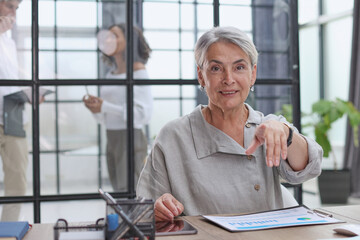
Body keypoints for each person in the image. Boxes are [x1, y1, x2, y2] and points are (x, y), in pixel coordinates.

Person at [136, 26, 322, 222]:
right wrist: (158, 207)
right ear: (201, 75)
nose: (228, 79)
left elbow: (309, 168)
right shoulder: (174, 136)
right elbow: (145, 207)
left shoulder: (269, 126)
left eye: (239, 67)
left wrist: (287, 133)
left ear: (253, 74)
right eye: (216, 68)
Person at [83, 23, 153, 192]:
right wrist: (96, 109)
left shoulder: (138, 72)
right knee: (118, 191)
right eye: (107, 35)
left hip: (130, 137)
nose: (108, 39)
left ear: (128, 41)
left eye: (114, 35)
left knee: (132, 193)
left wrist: (105, 106)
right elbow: (104, 116)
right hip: (111, 136)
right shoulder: (111, 73)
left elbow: (142, 115)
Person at [0, 0, 29, 221]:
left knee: (17, 182)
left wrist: (29, 94)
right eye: (9, 5)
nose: (13, 13)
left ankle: (6, 232)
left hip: (13, 117)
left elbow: (11, 81)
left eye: (17, 8)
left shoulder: (9, 42)